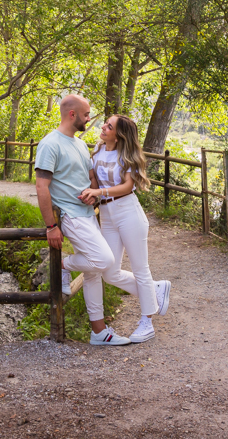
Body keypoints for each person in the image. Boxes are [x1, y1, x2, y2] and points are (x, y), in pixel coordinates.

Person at [34, 94, 131, 346]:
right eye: (87, 114)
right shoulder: (50, 144)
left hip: (87, 213)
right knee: (103, 259)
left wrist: (95, 196)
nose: (90, 119)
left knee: (93, 272)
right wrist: (51, 226)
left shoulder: (79, 144)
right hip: (70, 215)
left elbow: (90, 177)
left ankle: (99, 332)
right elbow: (42, 187)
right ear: (72, 114)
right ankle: (64, 266)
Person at [78, 114, 171, 343]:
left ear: (119, 135)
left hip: (128, 212)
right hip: (107, 215)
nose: (103, 127)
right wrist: (91, 194)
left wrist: (98, 193)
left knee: (141, 268)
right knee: (109, 271)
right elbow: (95, 182)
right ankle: (155, 289)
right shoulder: (98, 150)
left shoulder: (126, 156)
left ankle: (147, 322)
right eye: (106, 123)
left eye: (109, 126)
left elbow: (127, 186)